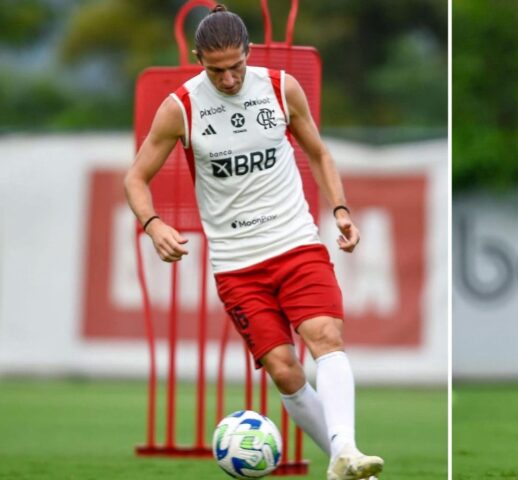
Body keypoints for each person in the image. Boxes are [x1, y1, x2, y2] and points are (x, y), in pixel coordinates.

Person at [123, 5, 383, 480]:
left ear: (248, 52)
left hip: (296, 242)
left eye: (236, 66)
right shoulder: (180, 106)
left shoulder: (281, 88)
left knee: (325, 336)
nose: (227, 79)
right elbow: (136, 179)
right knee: (285, 370)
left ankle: (345, 449)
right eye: (215, 70)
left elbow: (319, 153)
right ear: (199, 59)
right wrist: (153, 223)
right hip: (237, 264)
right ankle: (343, 461)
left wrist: (341, 209)